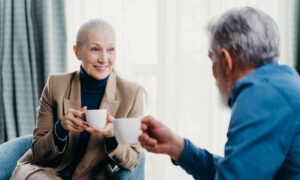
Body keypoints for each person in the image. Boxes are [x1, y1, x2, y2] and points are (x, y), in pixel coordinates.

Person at [139, 6, 300, 179]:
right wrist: (177, 147)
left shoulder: (262, 96)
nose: (212, 71)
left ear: (225, 61)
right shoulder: (282, 84)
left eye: (212, 59)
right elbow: (236, 170)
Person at [12, 19, 144, 179]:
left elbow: (133, 160)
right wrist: (60, 128)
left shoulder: (131, 94)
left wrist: (111, 136)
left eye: (111, 49)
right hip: (46, 173)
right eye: (95, 49)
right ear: (77, 51)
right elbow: (39, 154)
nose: (104, 59)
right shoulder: (56, 85)